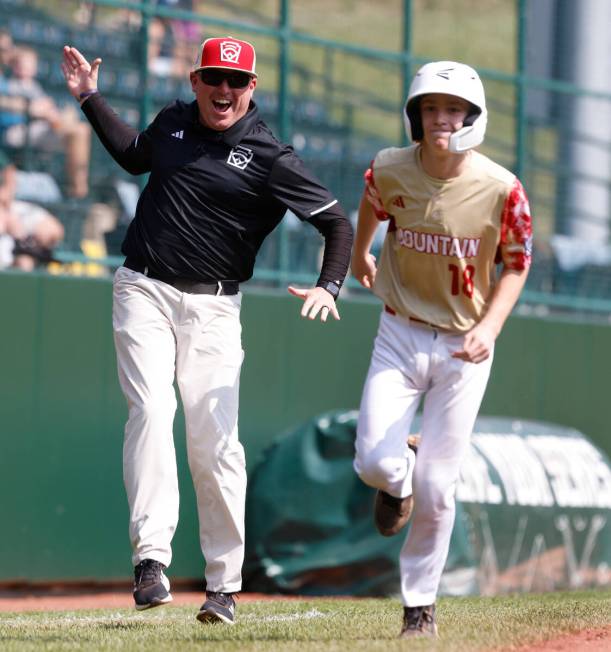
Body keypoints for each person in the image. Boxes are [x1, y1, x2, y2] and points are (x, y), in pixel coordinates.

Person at [60, 37, 353, 624]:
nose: (224, 90)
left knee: (214, 442)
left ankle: (223, 585)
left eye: (236, 81)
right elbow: (133, 155)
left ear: (253, 88)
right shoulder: (173, 120)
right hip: (143, 285)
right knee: (149, 408)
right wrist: (90, 98)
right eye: (214, 78)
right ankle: (150, 559)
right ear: (195, 80)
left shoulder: (270, 154)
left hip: (214, 308)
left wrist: (330, 285)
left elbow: (336, 223)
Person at [351, 61, 532, 639]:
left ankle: (419, 608)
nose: (441, 119)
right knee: (373, 463)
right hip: (400, 331)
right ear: (415, 115)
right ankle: (395, 484)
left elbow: (518, 263)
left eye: (453, 109)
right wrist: (360, 255)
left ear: (473, 118)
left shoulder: (502, 187)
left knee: (440, 483)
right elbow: (372, 205)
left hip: (463, 346)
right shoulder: (389, 167)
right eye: (430, 108)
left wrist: (492, 327)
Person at [1, 46, 91, 197]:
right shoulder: (9, 84)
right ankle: (76, 189)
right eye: (21, 64)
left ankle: (78, 187)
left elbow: (45, 108)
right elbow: (14, 107)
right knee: (76, 131)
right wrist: (36, 110)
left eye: (29, 65)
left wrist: (51, 113)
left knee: (81, 129)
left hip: (39, 128)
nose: (25, 68)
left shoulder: (34, 86)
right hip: (17, 129)